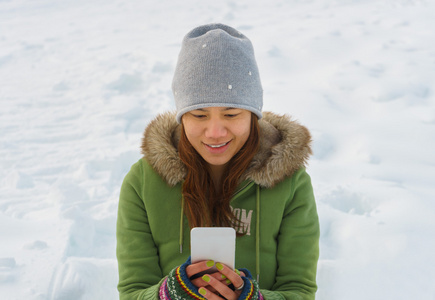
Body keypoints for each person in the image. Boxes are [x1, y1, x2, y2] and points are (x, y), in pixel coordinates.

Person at [116, 23, 319, 300]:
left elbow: (300, 292)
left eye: (232, 114)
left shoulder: (290, 182)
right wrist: (169, 294)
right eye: (199, 115)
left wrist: (253, 298)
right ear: (182, 116)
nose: (215, 132)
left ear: (252, 115)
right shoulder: (142, 182)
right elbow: (132, 293)